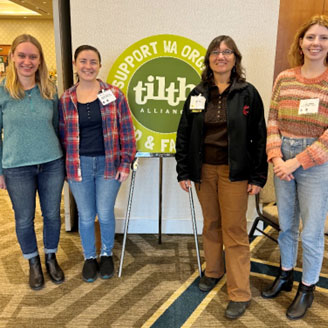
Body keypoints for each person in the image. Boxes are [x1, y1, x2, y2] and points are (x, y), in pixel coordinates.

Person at [175, 35, 267, 319]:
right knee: (211, 224)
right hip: (204, 171)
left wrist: (257, 176)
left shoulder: (247, 93)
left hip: (235, 173)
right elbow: (184, 133)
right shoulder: (198, 93)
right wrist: (184, 169)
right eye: (216, 51)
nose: (221, 56)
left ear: (235, 59)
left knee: (235, 231)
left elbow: (259, 137)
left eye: (227, 52)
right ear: (209, 59)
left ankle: (240, 292)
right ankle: (214, 271)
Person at [262, 15, 328, 320]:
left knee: (312, 231)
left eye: (323, 38)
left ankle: (307, 286)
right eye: (310, 37)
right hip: (282, 159)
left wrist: (296, 161)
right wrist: (277, 159)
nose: (316, 43)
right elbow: (272, 119)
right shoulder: (284, 78)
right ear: (300, 43)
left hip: (315, 163)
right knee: (287, 224)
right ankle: (285, 274)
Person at [59, 45, 136, 282]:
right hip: (78, 165)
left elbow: (126, 130)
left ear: (99, 66)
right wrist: (64, 168)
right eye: (83, 61)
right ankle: (89, 257)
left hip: (109, 164)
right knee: (85, 214)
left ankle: (106, 254)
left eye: (93, 62)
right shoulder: (66, 98)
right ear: (75, 65)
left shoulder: (114, 94)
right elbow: (62, 135)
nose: (88, 66)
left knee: (104, 213)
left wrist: (126, 163)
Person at [0, 34, 65, 290]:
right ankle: (33, 263)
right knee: (24, 218)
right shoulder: (3, 92)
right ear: (12, 57)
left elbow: (59, 127)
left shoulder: (50, 90)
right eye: (22, 55)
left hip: (52, 163)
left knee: (51, 215)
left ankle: (51, 258)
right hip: (17, 167)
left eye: (33, 57)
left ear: (40, 61)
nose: (27, 61)